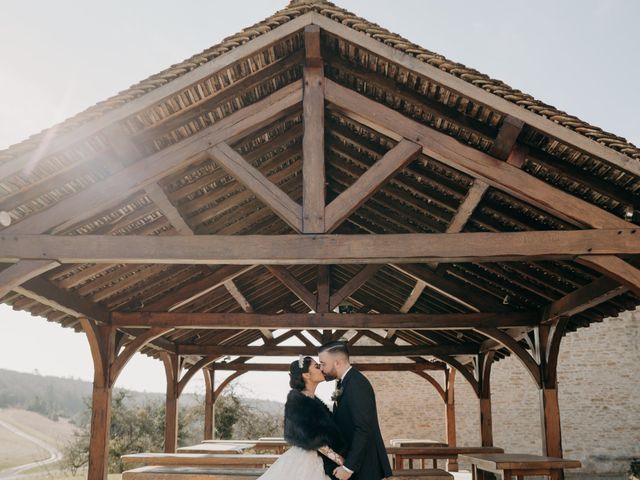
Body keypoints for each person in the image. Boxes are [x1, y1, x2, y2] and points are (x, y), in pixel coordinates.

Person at [257, 356, 346, 480]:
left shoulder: (313, 401)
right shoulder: (298, 403)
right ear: (306, 375)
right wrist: (340, 460)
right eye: (316, 366)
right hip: (306, 460)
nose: (321, 368)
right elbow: (313, 439)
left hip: (319, 458)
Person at [319, 341, 392, 480]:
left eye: (323, 363)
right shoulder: (345, 382)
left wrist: (348, 467)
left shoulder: (357, 383)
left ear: (337, 362)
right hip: (357, 462)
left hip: (365, 465)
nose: (322, 368)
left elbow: (363, 428)